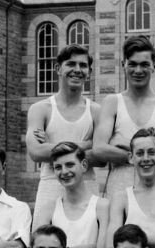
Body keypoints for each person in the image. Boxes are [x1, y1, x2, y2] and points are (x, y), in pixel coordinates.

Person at [27, 44, 100, 230]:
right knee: (45, 244)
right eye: (71, 64)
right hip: (51, 185)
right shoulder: (40, 109)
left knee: (87, 239)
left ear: (89, 72)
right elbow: (36, 152)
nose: (77, 70)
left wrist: (52, 147)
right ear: (58, 68)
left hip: (87, 185)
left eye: (83, 66)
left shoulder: (96, 111)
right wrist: (86, 144)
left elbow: (100, 156)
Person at [93, 35, 155, 202]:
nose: (138, 70)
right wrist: (147, 153)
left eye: (144, 64)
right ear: (123, 65)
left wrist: (119, 147)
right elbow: (99, 149)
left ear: (154, 66)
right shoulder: (112, 102)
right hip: (118, 185)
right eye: (132, 64)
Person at [49, 142, 109, 248]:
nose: (64, 172)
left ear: (83, 165)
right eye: (58, 167)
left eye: (70, 165)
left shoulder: (102, 206)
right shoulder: (50, 208)